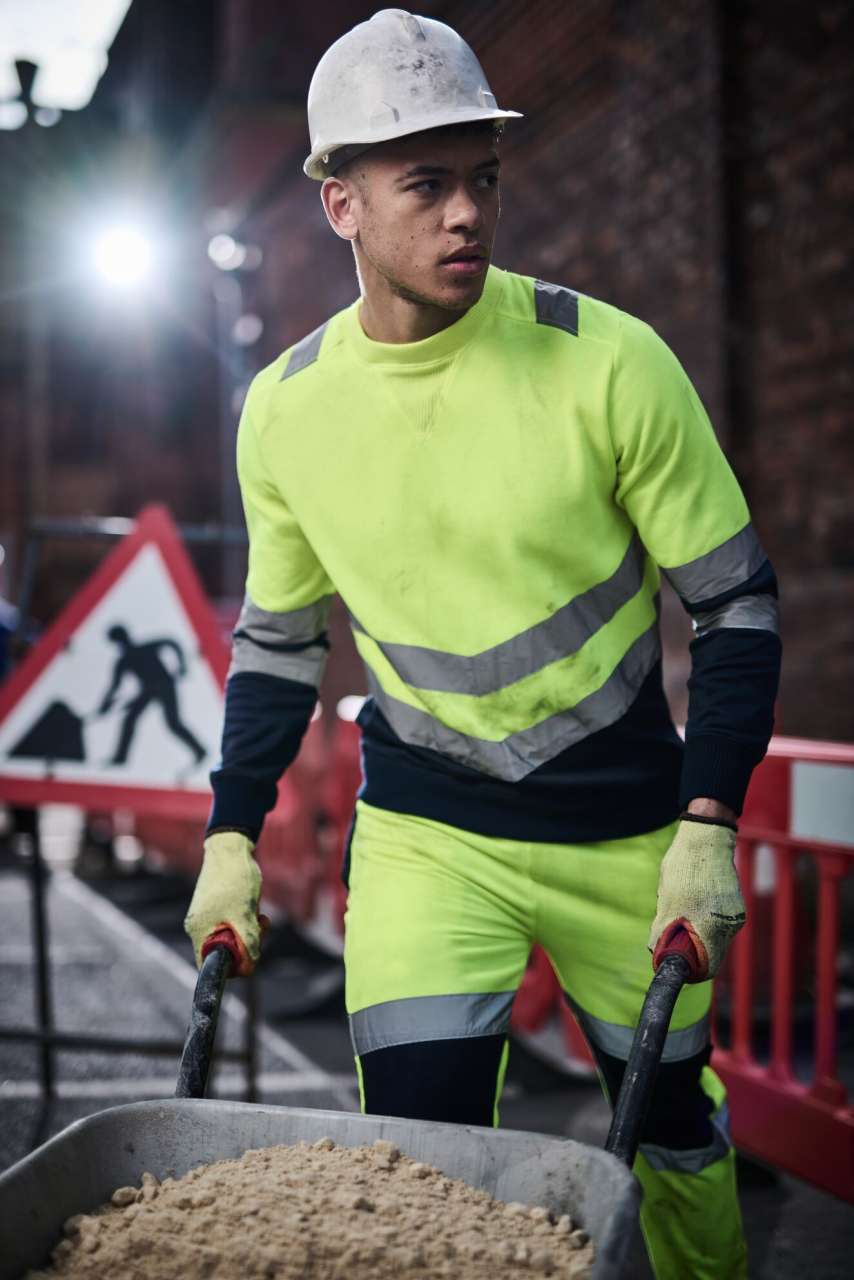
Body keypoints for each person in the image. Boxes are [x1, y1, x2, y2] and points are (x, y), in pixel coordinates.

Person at [184, 11, 781, 1277]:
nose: (467, 213)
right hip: (426, 834)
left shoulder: (608, 362)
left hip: (627, 837)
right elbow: (278, 647)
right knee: (415, 1163)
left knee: (671, 1135)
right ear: (341, 205)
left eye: (483, 178)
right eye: (426, 184)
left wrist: (707, 825)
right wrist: (231, 834)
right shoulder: (284, 411)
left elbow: (734, 603)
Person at [98, 624, 206, 767]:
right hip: (148, 690)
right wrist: (104, 705)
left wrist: (182, 665)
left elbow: (171, 642)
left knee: (173, 723)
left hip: (165, 686)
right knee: (130, 720)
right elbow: (114, 686)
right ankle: (120, 757)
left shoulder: (145, 648)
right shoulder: (123, 661)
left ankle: (200, 751)